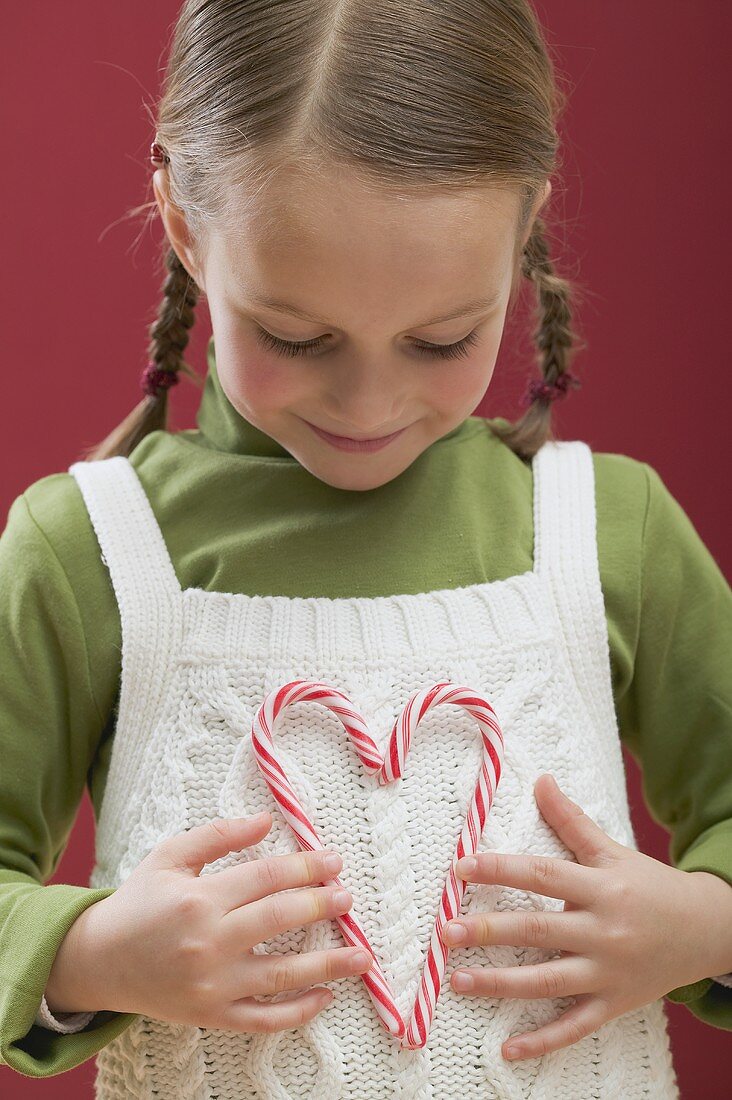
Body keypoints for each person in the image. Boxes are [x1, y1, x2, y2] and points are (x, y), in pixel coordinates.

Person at [1, 0, 730, 1094]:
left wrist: (704, 923)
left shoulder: (605, 529)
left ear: (526, 222)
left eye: (443, 338)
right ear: (187, 225)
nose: (369, 399)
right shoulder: (88, 553)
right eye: (295, 336)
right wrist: (93, 951)